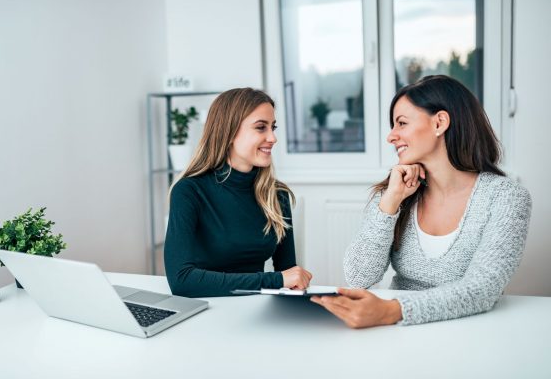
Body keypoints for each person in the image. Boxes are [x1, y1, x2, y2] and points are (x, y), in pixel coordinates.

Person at [311, 75, 532, 327]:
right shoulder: (398, 190)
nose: (391, 137)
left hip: (469, 331)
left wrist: (391, 311)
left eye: (401, 123)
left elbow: (481, 289)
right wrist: (390, 202)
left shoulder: (506, 197)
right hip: (397, 331)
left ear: (440, 122)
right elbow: (359, 276)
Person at [164, 88, 312, 297]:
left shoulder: (276, 194)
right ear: (229, 132)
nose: (273, 138)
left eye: (273, 127)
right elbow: (182, 281)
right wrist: (275, 280)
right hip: (204, 311)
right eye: (261, 127)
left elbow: (288, 275)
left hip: (257, 311)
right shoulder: (189, 191)